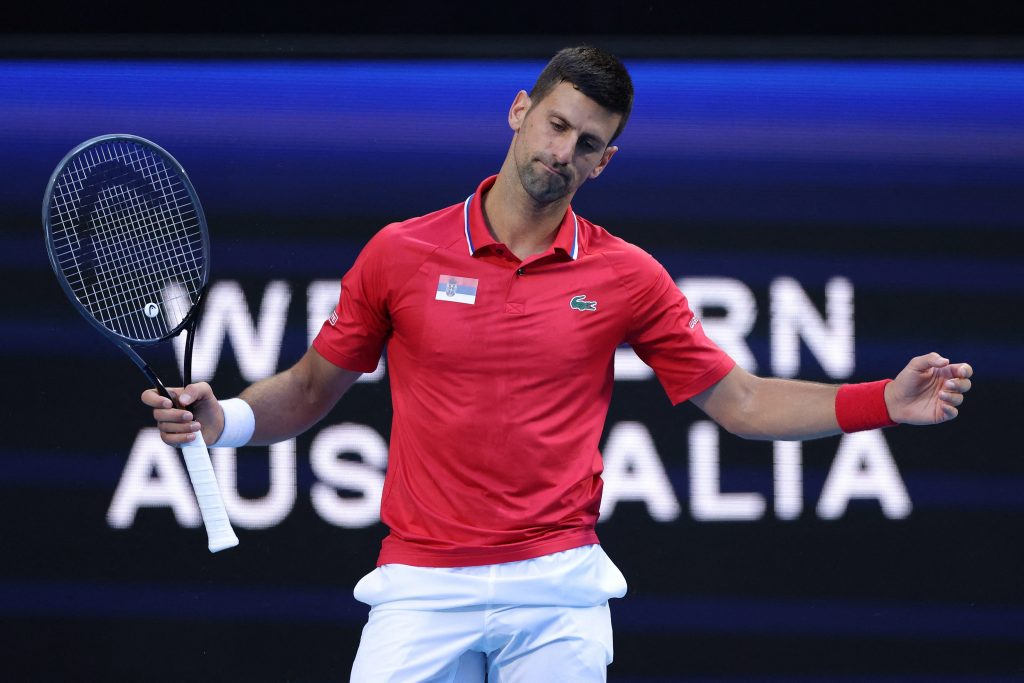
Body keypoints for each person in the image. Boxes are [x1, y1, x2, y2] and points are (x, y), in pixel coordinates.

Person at [143, 46, 973, 682]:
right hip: (422, 584)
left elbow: (744, 401)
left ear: (605, 162)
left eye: (589, 143)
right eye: (557, 124)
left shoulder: (626, 276)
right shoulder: (401, 253)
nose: (564, 150)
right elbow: (309, 387)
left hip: (558, 587)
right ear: (519, 111)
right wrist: (228, 421)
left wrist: (882, 404)